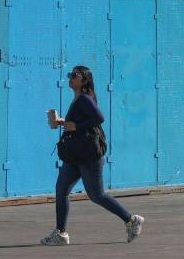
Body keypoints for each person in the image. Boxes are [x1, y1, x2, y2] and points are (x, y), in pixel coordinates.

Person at [42, 65, 144, 246]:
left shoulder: (85, 99)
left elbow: (99, 118)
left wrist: (76, 126)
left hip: (88, 155)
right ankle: (60, 233)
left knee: (97, 195)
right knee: (61, 189)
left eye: (75, 75)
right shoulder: (78, 99)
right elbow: (80, 122)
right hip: (75, 155)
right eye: (70, 75)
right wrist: (63, 122)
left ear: (84, 80)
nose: (71, 78)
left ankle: (131, 220)